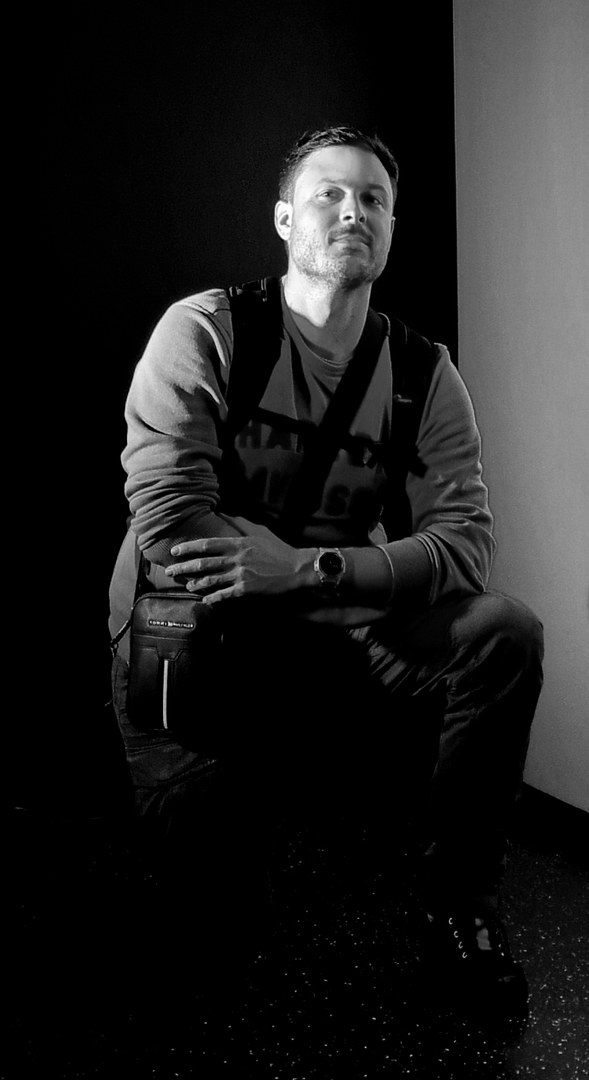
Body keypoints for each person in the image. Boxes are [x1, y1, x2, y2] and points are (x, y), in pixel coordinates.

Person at [109, 125, 543, 1004]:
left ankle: (458, 905)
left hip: (322, 631)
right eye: (329, 195)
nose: (353, 211)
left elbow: (464, 544)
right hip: (196, 652)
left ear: (390, 228)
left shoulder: (421, 372)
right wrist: (319, 582)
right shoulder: (207, 330)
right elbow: (170, 521)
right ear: (283, 219)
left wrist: (312, 572)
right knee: (219, 951)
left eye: (373, 199)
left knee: (501, 631)